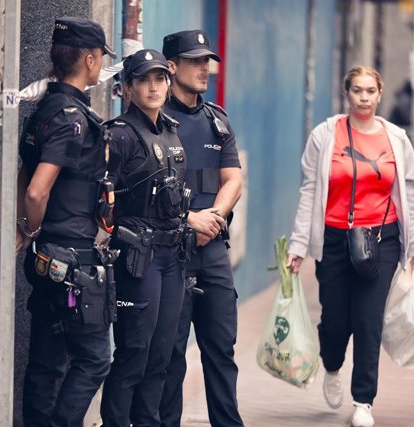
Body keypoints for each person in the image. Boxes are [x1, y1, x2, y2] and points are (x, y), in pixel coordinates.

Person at [286, 66, 414, 427]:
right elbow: (309, 191)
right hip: (335, 238)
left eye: (370, 91)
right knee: (335, 322)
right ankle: (332, 365)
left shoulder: (396, 139)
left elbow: (410, 195)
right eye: (357, 91)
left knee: (368, 322)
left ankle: (363, 401)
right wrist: (299, 243)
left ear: (379, 94)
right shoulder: (325, 135)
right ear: (346, 93)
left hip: (382, 238)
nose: (364, 98)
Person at [16, 16, 117, 427]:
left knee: (47, 358)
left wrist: (28, 231)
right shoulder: (71, 118)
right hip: (70, 258)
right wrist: (32, 226)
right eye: (100, 59)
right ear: (90, 60)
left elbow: (24, 170)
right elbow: (37, 189)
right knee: (95, 358)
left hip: (48, 256)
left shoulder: (43, 109)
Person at [99, 49, 191, 427]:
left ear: (168, 84)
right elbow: (100, 203)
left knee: (162, 353)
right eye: (143, 80)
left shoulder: (171, 130)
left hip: (173, 257)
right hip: (138, 257)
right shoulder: (118, 135)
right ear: (128, 87)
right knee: (134, 350)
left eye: (159, 79)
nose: (152, 87)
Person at [158, 30, 244, 427]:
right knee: (170, 354)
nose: (204, 68)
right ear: (171, 66)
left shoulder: (217, 121)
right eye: (194, 61)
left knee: (221, 350)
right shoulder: (155, 122)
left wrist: (215, 217)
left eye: (206, 60)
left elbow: (233, 180)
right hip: (170, 252)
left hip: (211, 251)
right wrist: (187, 220)